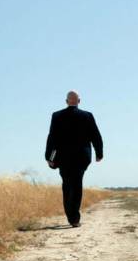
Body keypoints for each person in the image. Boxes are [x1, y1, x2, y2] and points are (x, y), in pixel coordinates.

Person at [44, 91, 103, 227]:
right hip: (81, 157)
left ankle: (71, 215)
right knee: (77, 184)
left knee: (67, 185)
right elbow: (96, 136)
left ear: (66, 101)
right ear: (79, 101)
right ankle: (74, 218)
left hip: (63, 157)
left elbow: (52, 138)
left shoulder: (57, 116)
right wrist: (99, 153)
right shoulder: (87, 116)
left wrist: (49, 157)